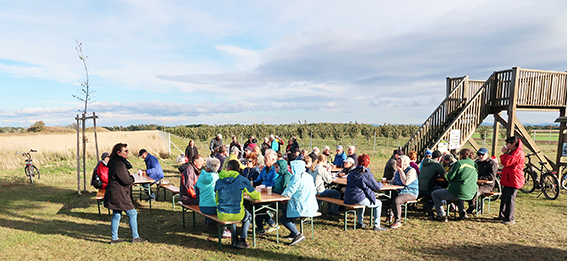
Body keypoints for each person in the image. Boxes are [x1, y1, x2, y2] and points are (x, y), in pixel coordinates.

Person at [103, 143, 147, 244]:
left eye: (127, 151)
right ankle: (135, 237)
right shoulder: (119, 163)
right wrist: (131, 178)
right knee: (132, 213)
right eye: (125, 151)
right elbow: (126, 180)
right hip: (119, 193)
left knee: (117, 214)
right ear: (118, 153)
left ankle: (114, 239)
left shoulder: (115, 162)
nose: (127, 153)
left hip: (114, 192)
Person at [215, 160, 261, 249]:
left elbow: (216, 199)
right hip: (236, 212)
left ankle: (235, 238)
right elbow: (256, 196)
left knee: (233, 212)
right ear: (239, 169)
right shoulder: (242, 180)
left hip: (221, 213)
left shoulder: (219, 180)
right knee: (248, 216)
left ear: (228, 168)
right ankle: (243, 239)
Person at [431, 148, 478, 222]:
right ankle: (462, 212)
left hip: (458, 191)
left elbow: (449, 177)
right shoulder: (474, 164)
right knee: (459, 195)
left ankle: (441, 215)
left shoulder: (458, 164)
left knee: (435, 194)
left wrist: (446, 174)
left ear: (461, 156)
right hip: (472, 192)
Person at [344, 154, 387, 231]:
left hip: (348, 197)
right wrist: (381, 183)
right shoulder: (365, 173)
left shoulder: (352, 172)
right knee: (379, 203)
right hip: (358, 198)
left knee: (362, 199)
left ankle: (360, 222)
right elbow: (376, 186)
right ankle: (377, 225)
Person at [280, 160, 319, 246]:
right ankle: (292, 232)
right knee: (284, 210)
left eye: (291, 167)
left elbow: (288, 192)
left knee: (283, 218)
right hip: (312, 205)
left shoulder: (297, 178)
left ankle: (297, 234)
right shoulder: (308, 176)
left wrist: (281, 196)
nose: (290, 169)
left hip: (302, 207)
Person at [497, 136, 525, 225]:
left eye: (508, 143)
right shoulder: (513, 152)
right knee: (504, 198)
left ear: (513, 144)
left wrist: (505, 153)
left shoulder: (518, 152)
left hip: (514, 179)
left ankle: (510, 218)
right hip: (509, 178)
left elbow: (507, 162)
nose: (506, 145)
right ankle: (503, 215)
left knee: (510, 199)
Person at [252, 149, 279, 233]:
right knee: (254, 204)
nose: (264, 159)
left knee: (258, 206)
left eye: (266, 158)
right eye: (264, 158)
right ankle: (261, 227)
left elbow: (273, 184)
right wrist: (251, 183)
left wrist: (263, 187)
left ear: (273, 159)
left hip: (272, 194)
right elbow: (258, 179)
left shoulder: (275, 170)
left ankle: (271, 224)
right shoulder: (264, 169)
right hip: (262, 192)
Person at [389, 155, 419, 229]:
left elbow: (406, 182)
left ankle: (398, 221)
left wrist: (401, 172)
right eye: (398, 162)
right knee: (387, 196)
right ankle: (389, 215)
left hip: (411, 192)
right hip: (400, 191)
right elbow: (393, 181)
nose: (398, 164)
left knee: (397, 200)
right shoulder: (397, 171)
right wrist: (386, 182)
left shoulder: (411, 171)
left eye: (400, 162)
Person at [466, 147, 498, 214]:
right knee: (467, 189)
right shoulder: (476, 163)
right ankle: (473, 206)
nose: (480, 156)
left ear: (487, 155)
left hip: (487, 185)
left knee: (475, 191)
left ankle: (477, 206)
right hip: (476, 183)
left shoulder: (492, 164)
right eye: (479, 154)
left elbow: (491, 177)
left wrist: (478, 177)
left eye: (482, 154)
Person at [195, 157, 221, 230]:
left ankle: (209, 222)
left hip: (202, 206)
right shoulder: (218, 178)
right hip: (215, 207)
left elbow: (196, 190)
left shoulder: (201, 176)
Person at [418, 150, 445, 217]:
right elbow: (445, 176)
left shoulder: (424, 163)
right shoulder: (437, 165)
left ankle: (427, 200)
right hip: (428, 189)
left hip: (419, 188)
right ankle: (430, 204)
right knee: (443, 190)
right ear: (439, 158)